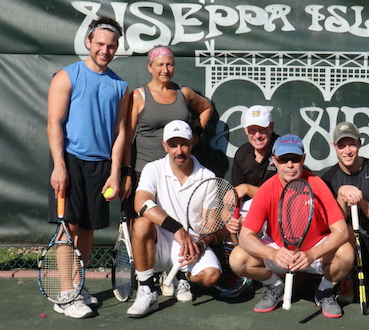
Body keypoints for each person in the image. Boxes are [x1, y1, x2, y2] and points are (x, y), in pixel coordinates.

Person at [47, 16, 129, 318]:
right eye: (100, 44)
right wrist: (59, 166)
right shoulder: (66, 76)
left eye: (111, 46)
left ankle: (77, 285)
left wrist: (115, 173)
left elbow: (121, 133)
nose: (105, 50)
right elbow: (54, 123)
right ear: (88, 43)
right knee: (67, 227)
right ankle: (66, 294)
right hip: (69, 160)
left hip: (101, 166)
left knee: (87, 229)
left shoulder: (121, 86)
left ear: (116, 48)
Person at [229, 134, 354, 318]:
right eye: (283, 159)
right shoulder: (266, 189)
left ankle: (325, 291)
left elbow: (341, 231)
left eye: (294, 159)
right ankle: (275, 286)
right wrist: (272, 254)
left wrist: (312, 254)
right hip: (280, 253)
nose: (289, 165)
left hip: (314, 253)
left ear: (303, 159)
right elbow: (246, 236)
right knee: (237, 259)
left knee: (346, 253)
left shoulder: (318, 185)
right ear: (274, 161)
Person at [126, 120, 239, 318]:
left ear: (192, 142)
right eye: (173, 145)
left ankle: (183, 276)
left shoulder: (208, 177)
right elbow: (141, 203)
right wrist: (177, 229)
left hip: (190, 246)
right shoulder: (153, 169)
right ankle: (147, 289)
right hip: (158, 243)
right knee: (141, 223)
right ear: (165, 146)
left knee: (211, 276)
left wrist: (199, 245)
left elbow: (210, 224)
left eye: (184, 144)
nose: (179, 151)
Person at [125, 45, 213, 300]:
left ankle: (177, 274)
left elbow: (206, 107)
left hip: (180, 172)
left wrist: (196, 135)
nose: (165, 69)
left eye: (169, 64)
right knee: (145, 225)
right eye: (160, 65)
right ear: (149, 67)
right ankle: (147, 282)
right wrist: (127, 173)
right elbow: (128, 139)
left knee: (180, 222)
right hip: (148, 173)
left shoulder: (184, 93)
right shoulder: (139, 96)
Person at [321, 121, 369, 285]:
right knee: (345, 231)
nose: (347, 151)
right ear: (334, 146)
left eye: (351, 145)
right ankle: (346, 277)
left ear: (359, 144)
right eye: (341, 146)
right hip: (347, 241)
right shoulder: (328, 179)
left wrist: (361, 202)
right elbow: (334, 224)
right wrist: (341, 194)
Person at [231, 105, 279, 200]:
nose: (257, 136)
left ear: (271, 127)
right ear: (245, 130)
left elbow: (282, 194)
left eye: (262, 129)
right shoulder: (242, 154)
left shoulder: (283, 150)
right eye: (252, 130)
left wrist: (247, 189)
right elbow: (237, 193)